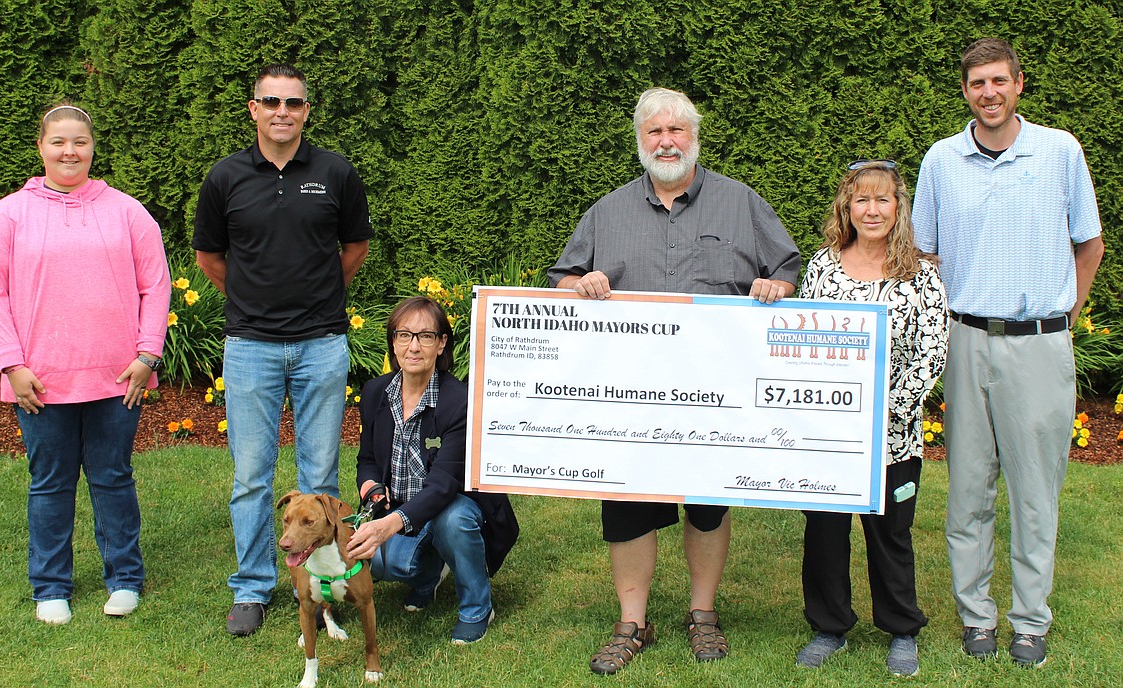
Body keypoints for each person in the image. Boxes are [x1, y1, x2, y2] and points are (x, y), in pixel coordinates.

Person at [548, 86, 801, 674]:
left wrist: (777, 287)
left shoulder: (741, 203)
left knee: (708, 504)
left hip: (717, 392)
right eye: (654, 132)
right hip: (629, 394)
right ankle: (632, 622)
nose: (666, 141)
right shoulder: (606, 212)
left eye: (676, 131)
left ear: (694, 137)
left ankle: (703, 614)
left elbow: (786, 268)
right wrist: (578, 285)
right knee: (629, 505)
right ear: (640, 141)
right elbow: (561, 280)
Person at [912, 38, 1104, 667]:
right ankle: (977, 616)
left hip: (1040, 343)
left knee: (1034, 492)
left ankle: (1029, 621)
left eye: (999, 81)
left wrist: (1063, 316)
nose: (988, 94)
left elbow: (1088, 244)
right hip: (965, 339)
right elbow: (926, 253)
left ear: (1020, 83)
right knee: (968, 489)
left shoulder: (1059, 152)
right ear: (965, 92)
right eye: (976, 84)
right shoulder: (941, 160)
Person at [0, 102, 170, 625]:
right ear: (41, 147)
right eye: (58, 141)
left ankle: (125, 578)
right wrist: (11, 364)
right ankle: (50, 586)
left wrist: (148, 354)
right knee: (50, 484)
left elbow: (156, 284)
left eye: (78, 141)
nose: (69, 151)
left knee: (113, 479)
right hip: (39, 381)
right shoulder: (8, 214)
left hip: (117, 379)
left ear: (92, 147)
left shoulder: (126, 211)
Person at [193, 63, 373, 636]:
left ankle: (321, 584)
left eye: (293, 102)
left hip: (322, 343)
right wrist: (253, 302)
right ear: (253, 108)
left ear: (306, 111)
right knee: (251, 475)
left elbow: (354, 246)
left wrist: (317, 300)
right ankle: (251, 588)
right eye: (270, 101)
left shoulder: (335, 172)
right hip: (250, 347)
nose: (282, 111)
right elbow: (210, 259)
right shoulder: (225, 178)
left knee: (320, 477)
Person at [795, 160, 947, 676]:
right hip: (830, 432)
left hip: (892, 435)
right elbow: (802, 343)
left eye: (883, 200)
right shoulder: (823, 266)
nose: (873, 210)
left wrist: (888, 412)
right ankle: (829, 626)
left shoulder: (922, 274)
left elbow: (930, 351)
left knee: (891, 534)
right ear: (847, 207)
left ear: (899, 207)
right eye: (863, 199)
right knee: (825, 530)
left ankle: (902, 629)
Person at [345, 296, 518, 645]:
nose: (413, 346)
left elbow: (443, 486)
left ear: (441, 344)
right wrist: (372, 491)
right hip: (398, 508)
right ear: (393, 342)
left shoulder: (460, 400)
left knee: (451, 519)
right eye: (404, 335)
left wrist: (385, 527)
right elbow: (366, 459)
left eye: (425, 336)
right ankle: (427, 577)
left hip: (452, 505)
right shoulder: (376, 392)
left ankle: (476, 608)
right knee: (381, 565)